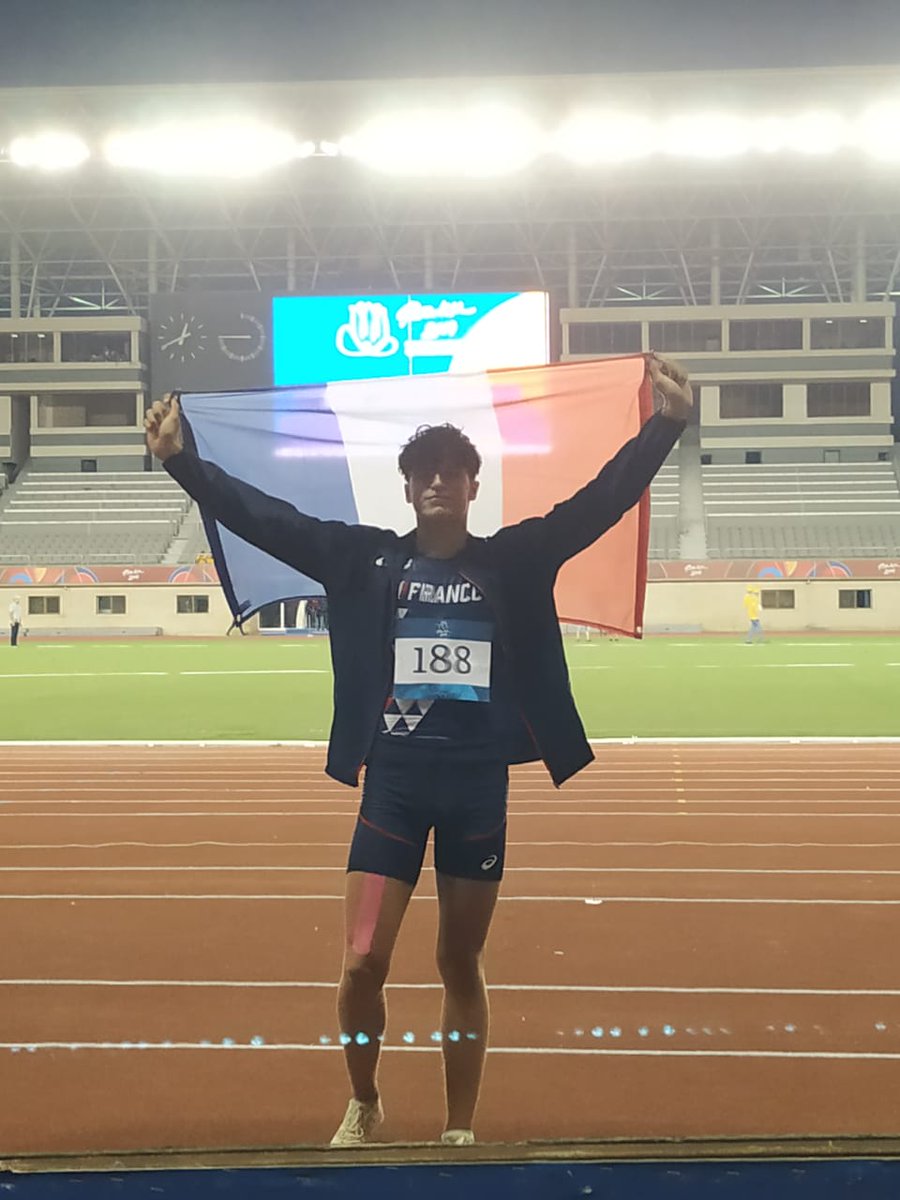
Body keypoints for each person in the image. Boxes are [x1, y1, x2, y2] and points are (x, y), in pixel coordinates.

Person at [144, 353, 692, 1147]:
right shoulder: (364, 560)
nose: (438, 482)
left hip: (477, 793)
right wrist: (180, 462)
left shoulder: (511, 561)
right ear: (407, 488)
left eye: (451, 472)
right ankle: (364, 1099)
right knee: (362, 959)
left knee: (460, 962)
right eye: (424, 472)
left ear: (473, 487)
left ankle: (458, 1128)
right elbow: (264, 517)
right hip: (393, 791)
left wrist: (666, 426)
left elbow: (598, 503)